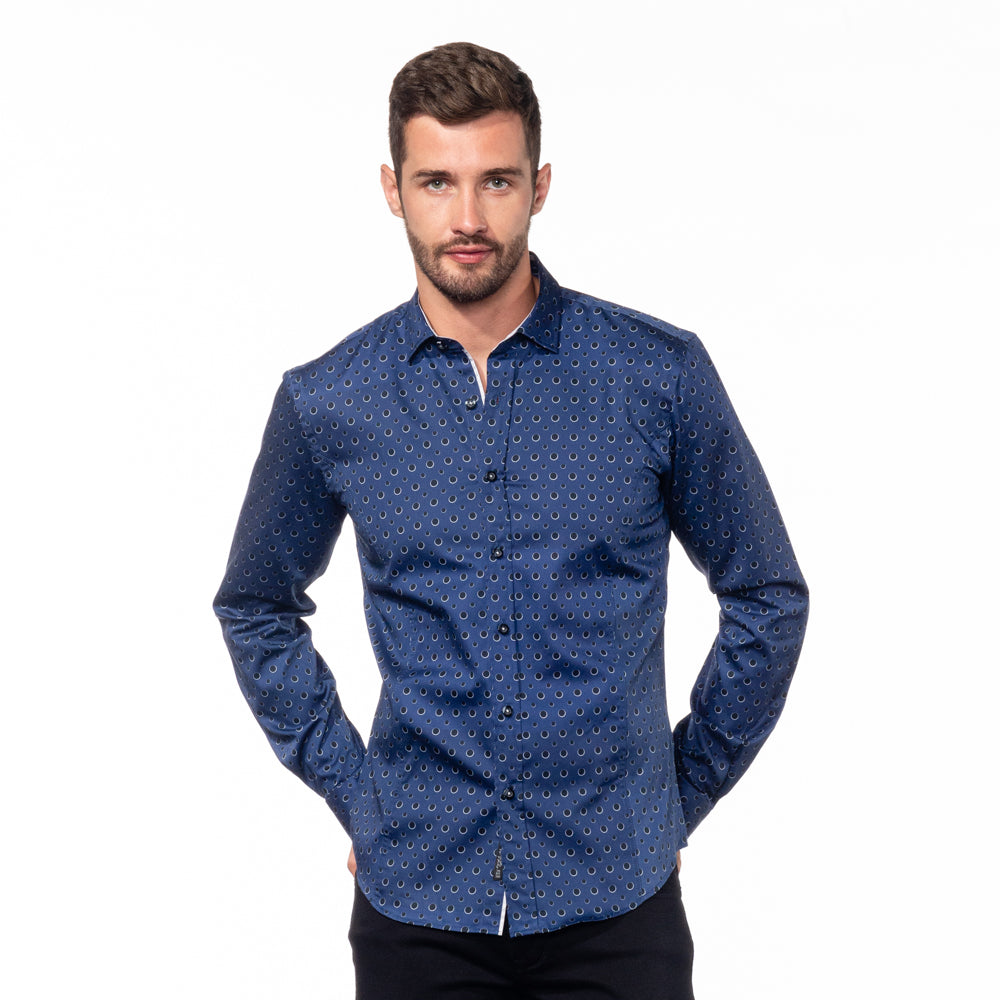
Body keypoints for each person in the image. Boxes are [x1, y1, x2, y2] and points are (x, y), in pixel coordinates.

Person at [214, 41, 809, 1000]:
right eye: (436, 182)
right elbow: (254, 605)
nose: (467, 218)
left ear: (539, 185)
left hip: (619, 904)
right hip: (418, 906)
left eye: (495, 181)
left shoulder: (656, 376)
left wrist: (678, 792)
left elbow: (767, 594)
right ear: (392, 190)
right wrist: (360, 795)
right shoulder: (330, 400)